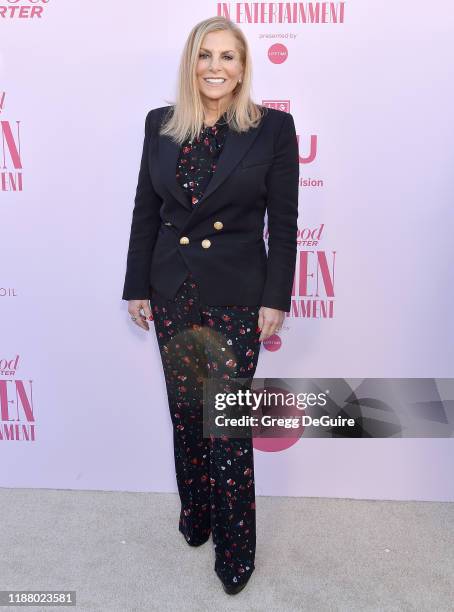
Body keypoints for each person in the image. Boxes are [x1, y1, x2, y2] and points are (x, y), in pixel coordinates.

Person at [122, 15, 299, 595]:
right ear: (191, 63)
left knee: (224, 422)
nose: (216, 67)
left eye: (228, 56)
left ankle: (236, 546)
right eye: (206, 55)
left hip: (235, 294)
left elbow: (285, 222)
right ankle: (196, 514)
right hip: (173, 290)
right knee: (185, 414)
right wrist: (137, 285)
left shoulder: (273, 129)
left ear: (244, 67)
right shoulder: (161, 125)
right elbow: (146, 210)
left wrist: (276, 297)